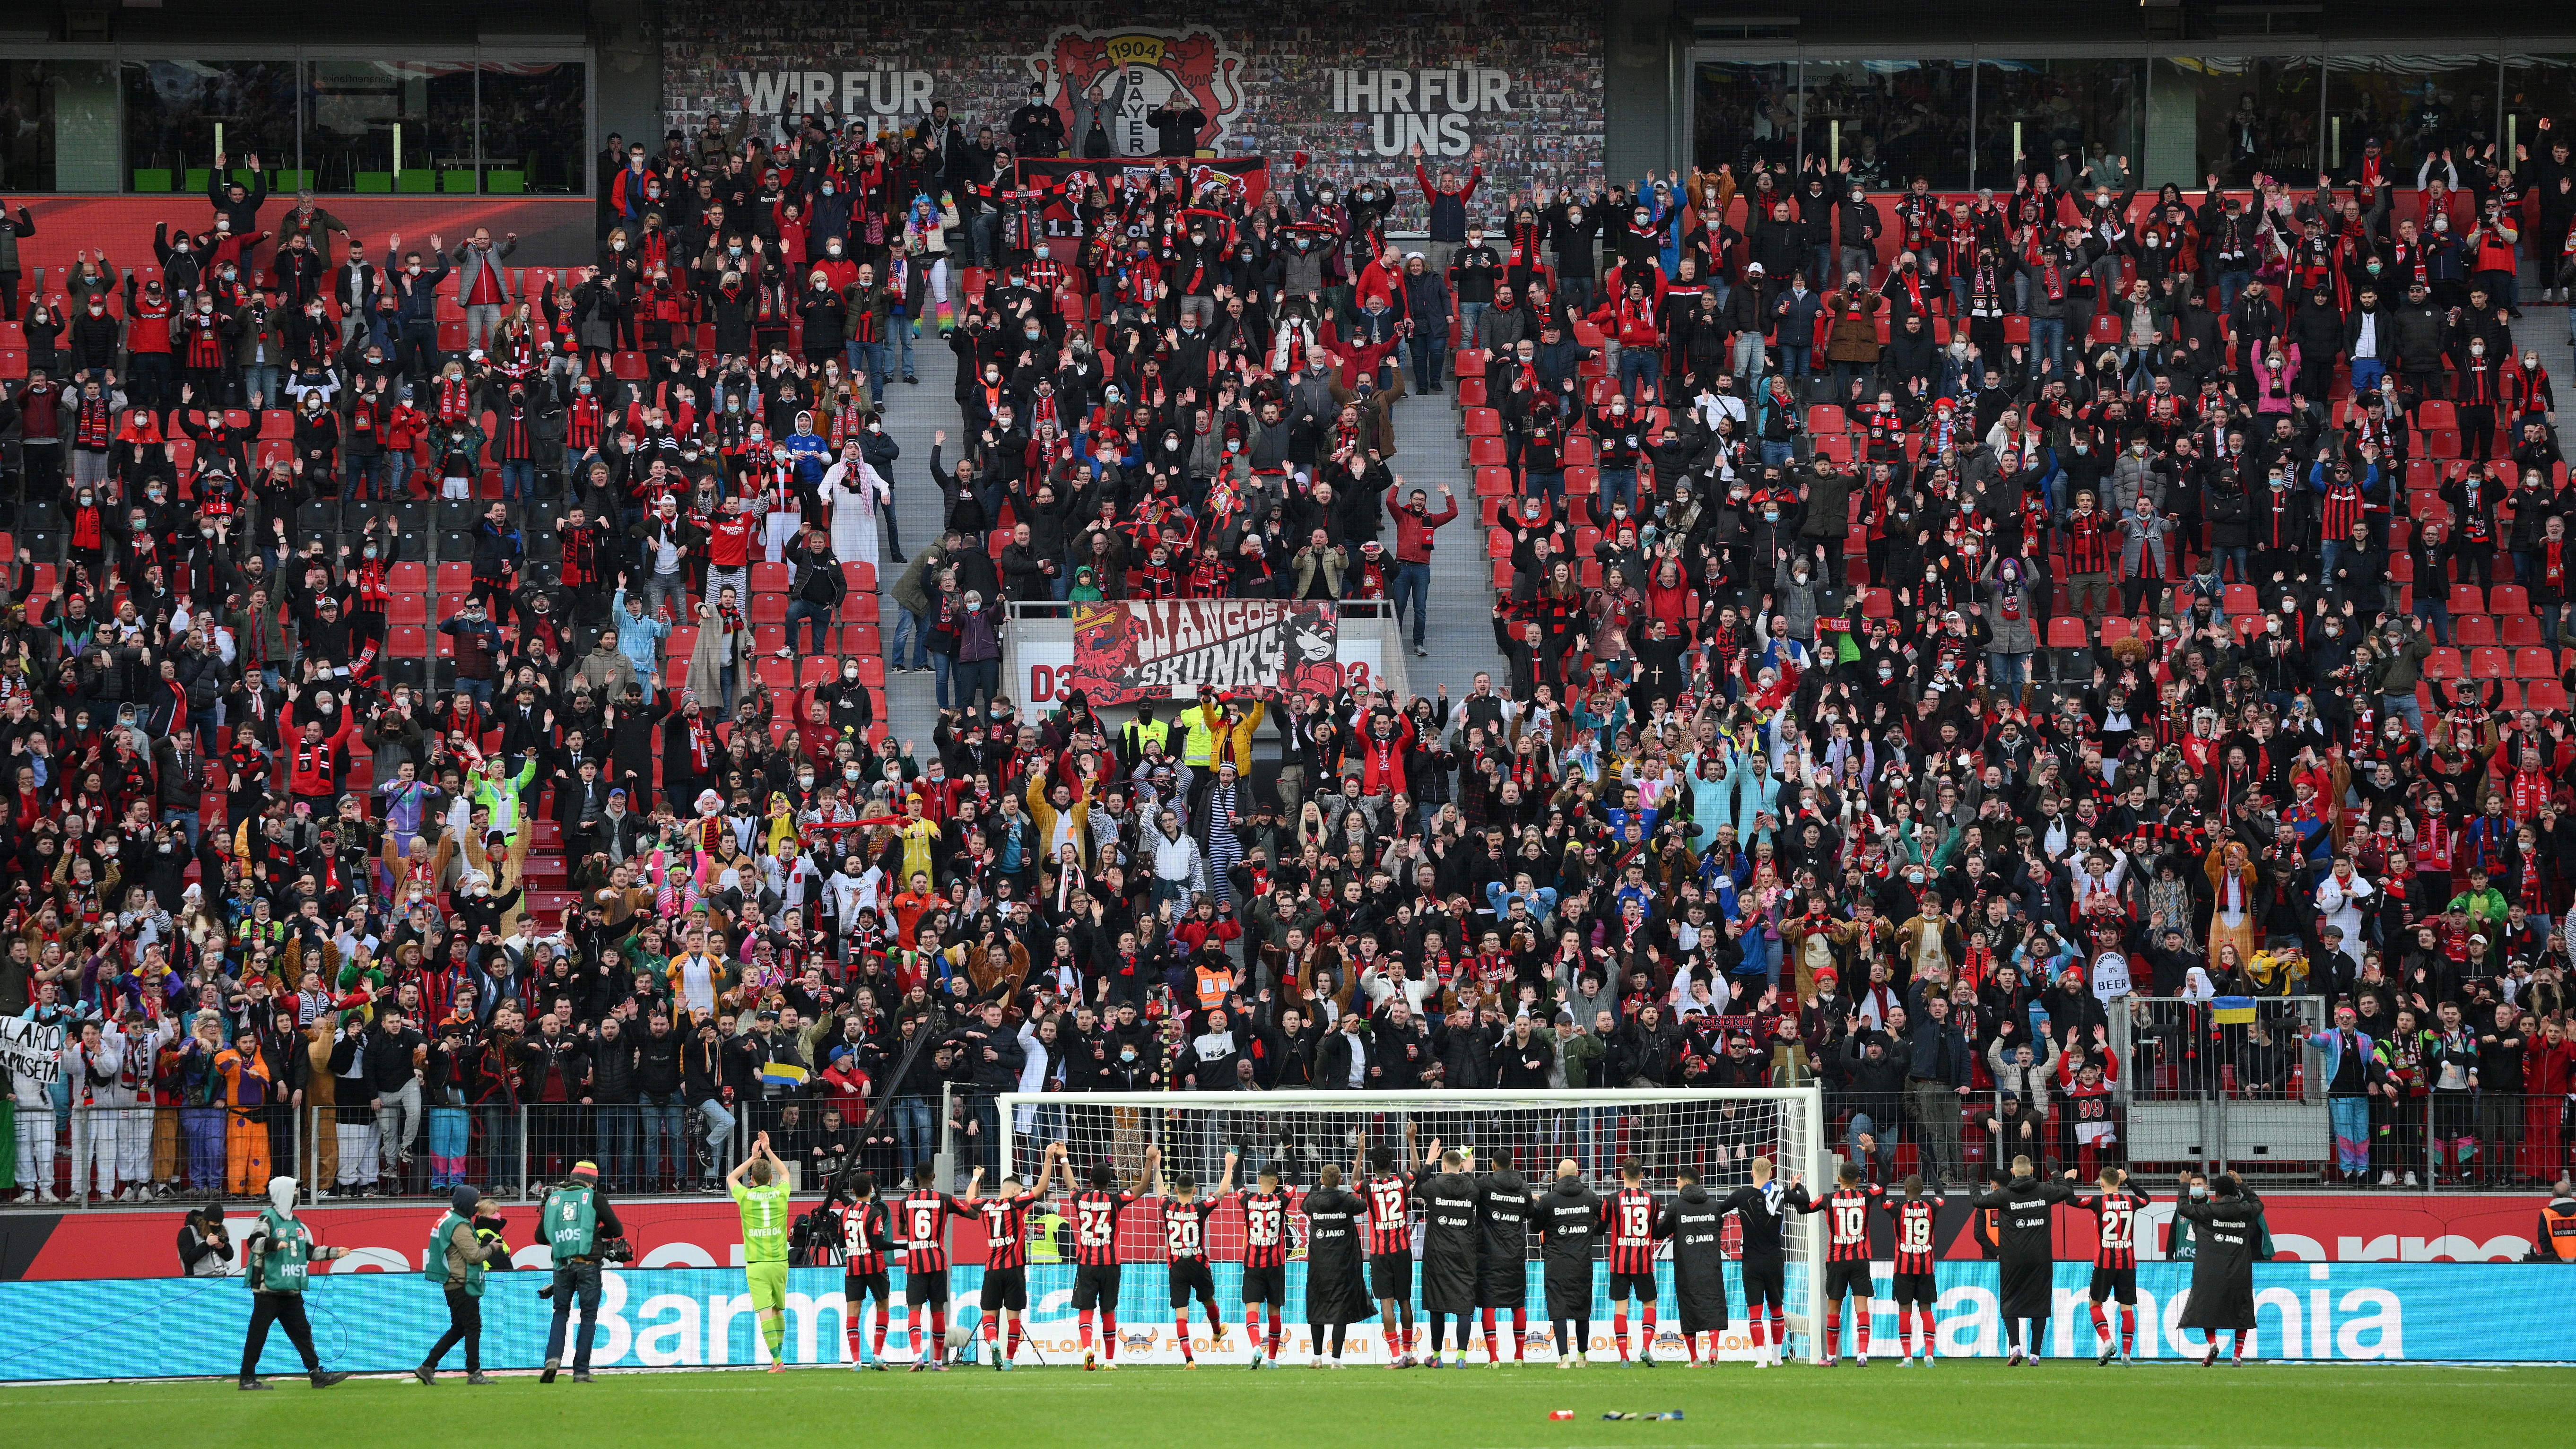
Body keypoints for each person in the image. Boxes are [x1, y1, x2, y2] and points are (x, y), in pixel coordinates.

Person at [238, 1175, 354, 1390]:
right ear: (283, 1193)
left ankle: (316, 1374)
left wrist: (334, 1252)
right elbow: (254, 1242)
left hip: (291, 1290)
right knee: (258, 1334)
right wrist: (273, 1243)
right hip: (268, 1290)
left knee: (303, 1333)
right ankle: (247, 1378)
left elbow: (308, 1251)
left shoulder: (297, 1223)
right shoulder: (268, 1218)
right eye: (294, 1191)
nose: (297, 1195)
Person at [1972, 1155, 2072, 1363]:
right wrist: (2054, 1171)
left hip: (2012, 1259)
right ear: (2033, 1170)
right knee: (2040, 1303)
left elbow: (1978, 1201)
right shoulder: (2045, 1191)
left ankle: (2016, 1347)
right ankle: (2035, 1355)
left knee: (2009, 1301)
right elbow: (2065, 1191)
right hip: (2040, 1257)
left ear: (2013, 1172)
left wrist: (1973, 1178)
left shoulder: (2005, 1195)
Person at [414, 1183, 511, 1384]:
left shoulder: (448, 1218)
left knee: (460, 1327)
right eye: (475, 1202)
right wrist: (492, 1248)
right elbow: (474, 1256)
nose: (476, 1207)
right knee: (473, 1327)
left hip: (453, 1282)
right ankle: (474, 1373)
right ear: (467, 1203)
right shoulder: (460, 1225)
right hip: (462, 1282)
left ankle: (428, 1366)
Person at [539, 1160, 626, 1383]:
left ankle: (553, 1359)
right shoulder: (595, 1198)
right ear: (592, 1182)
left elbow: (540, 1237)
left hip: (562, 1265)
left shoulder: (553, 1199)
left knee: (560, 1313)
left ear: (572, 1179)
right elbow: (617, 1229)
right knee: (588, 1317)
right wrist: (592, 1234)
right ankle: (581, 1372)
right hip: (588, 1265)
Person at [975, 1144, 1061, 1370]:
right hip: (1015, 1270)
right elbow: (1042, 1188)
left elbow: (969, 1200)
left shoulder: (985, 1206)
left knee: (989, 1315)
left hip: (992, 1269)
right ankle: (1010, 1360)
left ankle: (993, 1341)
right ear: (1014, 1191)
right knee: (1014, 1318)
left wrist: (976, 1178)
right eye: (1021, 1190)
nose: (1023, 1193)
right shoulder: (1016, 1204)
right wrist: (1049, 1157)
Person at [1071, 1145, 1156, 1370]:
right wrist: (1148, 1160)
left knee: (1086, 1309)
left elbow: (1070, 1184)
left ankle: (1088, 1348)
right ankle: (1110, 1360)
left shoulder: (1079, 1197)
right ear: (1110, 1181)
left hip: (1086, 1263)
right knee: (1108, 1310)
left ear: (1090, 1180)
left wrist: (1061, 1159)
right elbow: (1142, 1188)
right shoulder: (1116, 1199)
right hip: (1110, 1264)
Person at [1144, 1149, 1230, 1367]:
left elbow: (1159, 1189)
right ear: (1195, 1190)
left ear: (1176, 1190)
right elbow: (1222, 1190)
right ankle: (1216, 1330)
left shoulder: (1167, 1207)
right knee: (1209, 1300)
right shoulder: (1200, 1208)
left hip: (1176, 1265)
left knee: (1182, 1313)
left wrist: (1157, 1163)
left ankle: (1189, 1359)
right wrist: (1229, 1165)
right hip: (1198, 1263)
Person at [1794, 1160, 1883, 1365]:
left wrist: (1798, 1187)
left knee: (1834, 1309)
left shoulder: (1828, 1199)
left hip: (1836, 1260)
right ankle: (1862, 1356)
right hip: (1860, 1260)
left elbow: (1803, 1208)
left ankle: (1832, 1357)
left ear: (1839, 1179)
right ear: (1859, 1180)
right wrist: (1873, 1153)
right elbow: (1884, 1179)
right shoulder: (1866, 1196)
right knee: (1862, 1308)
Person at [896, 1157, 981, 1370]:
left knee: (914, 1310)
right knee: (938, 1312)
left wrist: (915, 1231)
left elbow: (902, 1231)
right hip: (936, 1263)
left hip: (915, 1263)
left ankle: (917, 1356)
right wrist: (976, 1184)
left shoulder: (905, 1202)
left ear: (916, 1178)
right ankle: (937, 1361)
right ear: (934, 1177)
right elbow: (974, 1214)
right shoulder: (945, 1200)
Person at [2176, 1169, 2265, 1364]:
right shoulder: (2245, 1211)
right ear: (2235, 1193)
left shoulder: (2208, 1211)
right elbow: (2259, 1204)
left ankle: (2212, 1345)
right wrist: (2243, 1184)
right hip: (2239, 1273)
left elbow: (2183, 1208)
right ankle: (2237, 1355)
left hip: (2210, 1273)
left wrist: (2184, 1186)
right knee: (2242, 1313)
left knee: (2208, 1311)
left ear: (2216, 1194)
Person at [2068, 1166, 2152, 1364]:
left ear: (2102, 1183)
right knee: (2127, 1308)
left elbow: (2071, 1201)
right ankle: (2126, 1355)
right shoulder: (2131, 1201)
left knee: (2095, 1304)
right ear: (2119, 1182)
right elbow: (2147, 1199)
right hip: (2128, 1263)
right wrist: (2129, 1180)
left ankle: (2107, 1342)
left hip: (2105, 1263)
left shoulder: (2098, 1201)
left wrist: (2069, 1180)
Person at [1717, 1155, 1795, 1366]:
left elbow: (1718, 1210)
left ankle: (1761, 1358)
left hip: (1751, 1260)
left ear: (1752, 1173)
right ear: (1771, 1173)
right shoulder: (1780, 1193)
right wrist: (1797, 1187)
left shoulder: (1741, 1195)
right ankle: (1777, 1358)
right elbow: (1805, 1201)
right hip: (1774, 1259)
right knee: (1777, 1308)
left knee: (1755, 1311)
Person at [728, 1130, 796, 1371]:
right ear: (770, 1179)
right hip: (780, 1262)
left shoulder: (745, 1197)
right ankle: (778, 1358)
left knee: (765, 1311)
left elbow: (731, 1178)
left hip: (757, 1264)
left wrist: (752, 1158)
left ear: (753, 1180)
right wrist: (767, 1151)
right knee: (778, 1309)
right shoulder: (781, 1195)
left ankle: (777, 1361)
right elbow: (786, 1173)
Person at [1412, 1140, 1481, 1368]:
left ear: (1443, 1167)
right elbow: (1475, 1189)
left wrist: (1429, 1161)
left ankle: (1437, 1356)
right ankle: (1461, 1357)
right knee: (1464, 1306)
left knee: (1437, 1305)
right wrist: (1469, 1171)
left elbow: (1419, 1185)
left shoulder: (1435, 1185)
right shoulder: (1471, 1187)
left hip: (1437, 1254)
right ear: (1460, 1166)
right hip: (1465, 1254)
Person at [1299, 1160, 1373, 1367]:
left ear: (1322, 1180)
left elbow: (1304, 1204)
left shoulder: (1313, 1201)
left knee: (1317, 1309)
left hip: (1319, 1265)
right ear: (1341, 1181)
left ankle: (1316, 1358)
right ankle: (1336, 1360)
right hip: (1343, 1265)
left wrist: (1318, 1185)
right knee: (1341, 1311)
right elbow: (1367, 1203)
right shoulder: (1348, 1200)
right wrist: (1363, 1176)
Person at [1654, 1165, 1728, 1366]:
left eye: (1677, 1181)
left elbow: (1659, 1233)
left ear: (1686, 1183)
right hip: (1711, 1265)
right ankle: (1713, 1349)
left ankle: (1695, 1359)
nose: (1676, 1185)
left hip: (1687, 1268)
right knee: (1714, 1305)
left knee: (1689, 1310)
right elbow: (1719, 1227)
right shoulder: (1713, 1205)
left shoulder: (1677, 1205)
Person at [1532, 1156, 1601, 1365]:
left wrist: (1538, 1206)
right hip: (1582, 1262)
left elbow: (1535, 1228)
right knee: (1582, 1310)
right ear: (1578, 1174)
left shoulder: (1549, 1199)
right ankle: (1582, 1357)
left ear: (1558, 1176)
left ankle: (1564, 1358)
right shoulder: (1591, 1197)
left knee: (1558, 1309)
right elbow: (1603, 1224)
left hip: (1556, 1262)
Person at [1358, 1144, 1419, 1365]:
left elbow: (1355, 1180)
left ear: (1373, 1166)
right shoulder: (1402, 1181)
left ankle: (1395, 1357)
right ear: (1392, 1163)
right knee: (1405, 1302)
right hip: (1403, 1251)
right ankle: (1408, 1354)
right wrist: (1412, 1141)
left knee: (1387, 1304)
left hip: (1380, 1253)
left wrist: (1360, 1153)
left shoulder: (1368, 1186)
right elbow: (1416, 1168)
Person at [1234, 1156, 1297, 1367]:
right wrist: (1289, 1146)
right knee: (1274, 1311)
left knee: (1252, 1309)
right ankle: (1271, 1359)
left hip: (1253, 1263)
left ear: (1259, 1179)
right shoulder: (1282, 1200)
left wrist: (1242, 1154)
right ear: (1277, 1182)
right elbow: (1296, 1175)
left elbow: (1236, 1182)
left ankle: (1255, 1347)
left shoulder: (1247, 1200)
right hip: (1276, 1265)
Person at [1878, 1174, 1944, 1365]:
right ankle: (1929, 1354)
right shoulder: (1932, 1207)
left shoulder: (1897, 1209)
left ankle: (1908, 1357)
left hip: (1903, 1267)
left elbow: (1881, 1197)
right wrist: (1931, 1169)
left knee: (1905, 1310)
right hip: (1926, 1267)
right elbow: (1941, 1193)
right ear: (1923, 1191)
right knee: (1926, 1310)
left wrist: (1886, 1173)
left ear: (1905, 1190)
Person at [1602, 1157, 1662, 1365]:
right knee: (1650, 1305)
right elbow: (1655, 1232)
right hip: (1643, 1262)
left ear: (1622, 1174)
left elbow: (1600, 1229)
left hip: (1619, 1262)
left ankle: (1624, 1357)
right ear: (1641, 1175)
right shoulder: (1654, 1201)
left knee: (1621, 1308)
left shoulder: (1612, 1200)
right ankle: (1646, 1347)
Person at [838, 1170, 896, 1369]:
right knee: (883, 1306)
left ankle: (856, 1361)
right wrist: (902, 1246)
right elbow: (879, 1243)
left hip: (853, 1266)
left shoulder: (845, 1213)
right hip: (875, 1266)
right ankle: (877, 1356)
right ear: (871, 1189)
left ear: (853, 1190)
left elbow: (840, 1241)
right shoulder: (875, 1213)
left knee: (853, 1311)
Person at [178, 1202, 236, 1277]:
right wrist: (207, 1245)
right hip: (198, 1279)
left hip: (221, 1276)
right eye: (215, 1223)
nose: (217, 1226)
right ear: (206, 1221)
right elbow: (188, 1259)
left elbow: (229, 1257)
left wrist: (222, 1249)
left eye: (219, 1223)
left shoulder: (218, 1230)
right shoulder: (187, 1232)